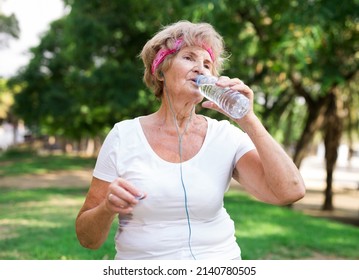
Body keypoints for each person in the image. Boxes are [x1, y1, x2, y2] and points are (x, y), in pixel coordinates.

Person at [75, 20, 305, 260]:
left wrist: (248, 119)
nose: (201, 69)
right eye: (189, 58)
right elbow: (87, 239)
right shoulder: (124, 136)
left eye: (207, 64)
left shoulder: (226, 136)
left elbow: (291, 191)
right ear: (160, 71)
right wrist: (107, 209)